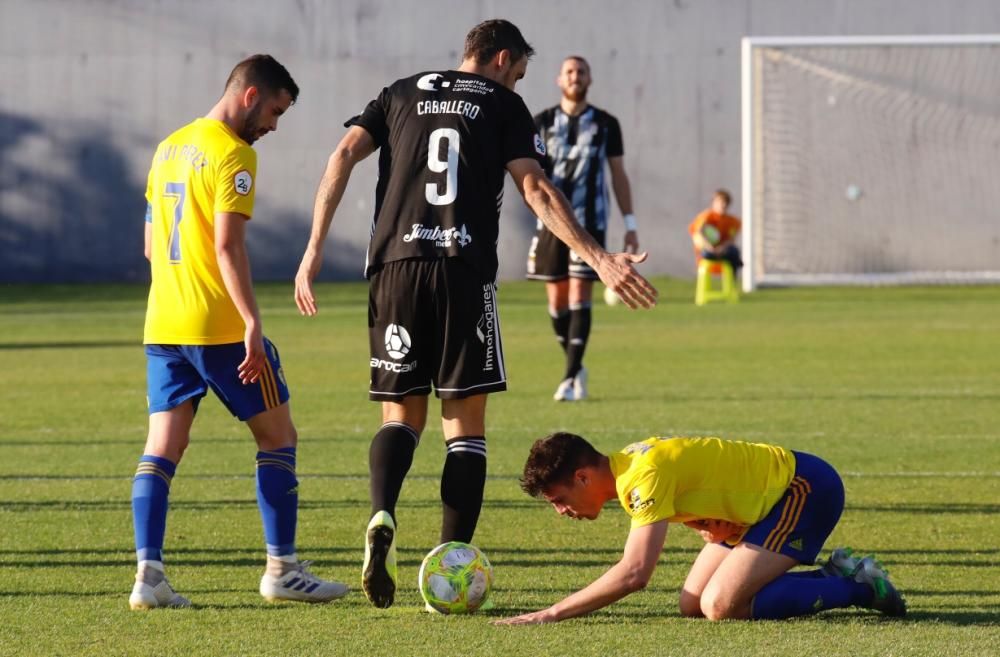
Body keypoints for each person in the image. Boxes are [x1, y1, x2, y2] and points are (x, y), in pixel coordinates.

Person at [294, 19, 658, 609]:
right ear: (501, 59)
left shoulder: (400, 91)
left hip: (392, 269)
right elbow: (535, 189)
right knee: (464, 430)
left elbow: (343, 153)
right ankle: (449, 559)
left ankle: (383, 511)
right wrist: (598, 258)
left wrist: (312, 249)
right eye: (517, 73)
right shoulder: (505, 106)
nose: (517, 82)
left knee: (400, 418)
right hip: (461, 270)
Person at [132, 55, 347, 610]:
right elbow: (228, 247)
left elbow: (152, 248)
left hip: (164, 322)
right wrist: (252, 322)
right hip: (219, 326)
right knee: (279, 438)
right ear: (250, 95)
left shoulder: (168, 147)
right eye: (275, 110)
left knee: (162, 449)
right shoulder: (235, 155)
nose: (274, 125)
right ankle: (283, 569)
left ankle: (148, 577)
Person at [495, 432, 906, 624]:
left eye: (559, 500)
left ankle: (861, 586)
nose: (561, 511)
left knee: (720, 606)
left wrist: (550, 613)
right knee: (692, 604)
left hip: (803, 490)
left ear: (583, 477)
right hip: (763, 506)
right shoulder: (629, 466)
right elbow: (700, 475)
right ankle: (829, 575)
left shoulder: (643, 477)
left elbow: (636, 574)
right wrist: (708, 522)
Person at [526, 56, 639, 402]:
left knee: (579, 296)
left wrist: (630, 223)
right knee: (557, 303)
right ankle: (576, 366)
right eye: (570, 72)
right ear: (559, 79)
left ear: (590, 79)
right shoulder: (540, 122)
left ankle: (569, 376)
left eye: (581, 72)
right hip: (550, 224)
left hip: (591, 223)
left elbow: (618, 174)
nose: (576, 77)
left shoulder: (607, 124)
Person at [688, 189, 742, 275]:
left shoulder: (733, 221)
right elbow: (698, 234)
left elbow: (731, 239)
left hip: (723, 251)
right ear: (713, 203)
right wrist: (710, 247)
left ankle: (732, 281)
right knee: (707, 254)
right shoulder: (706, 216)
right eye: (720, 202)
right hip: (707, 250)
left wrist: (721, 248)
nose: (723, 205)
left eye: (726, 202)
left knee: (734, 251)